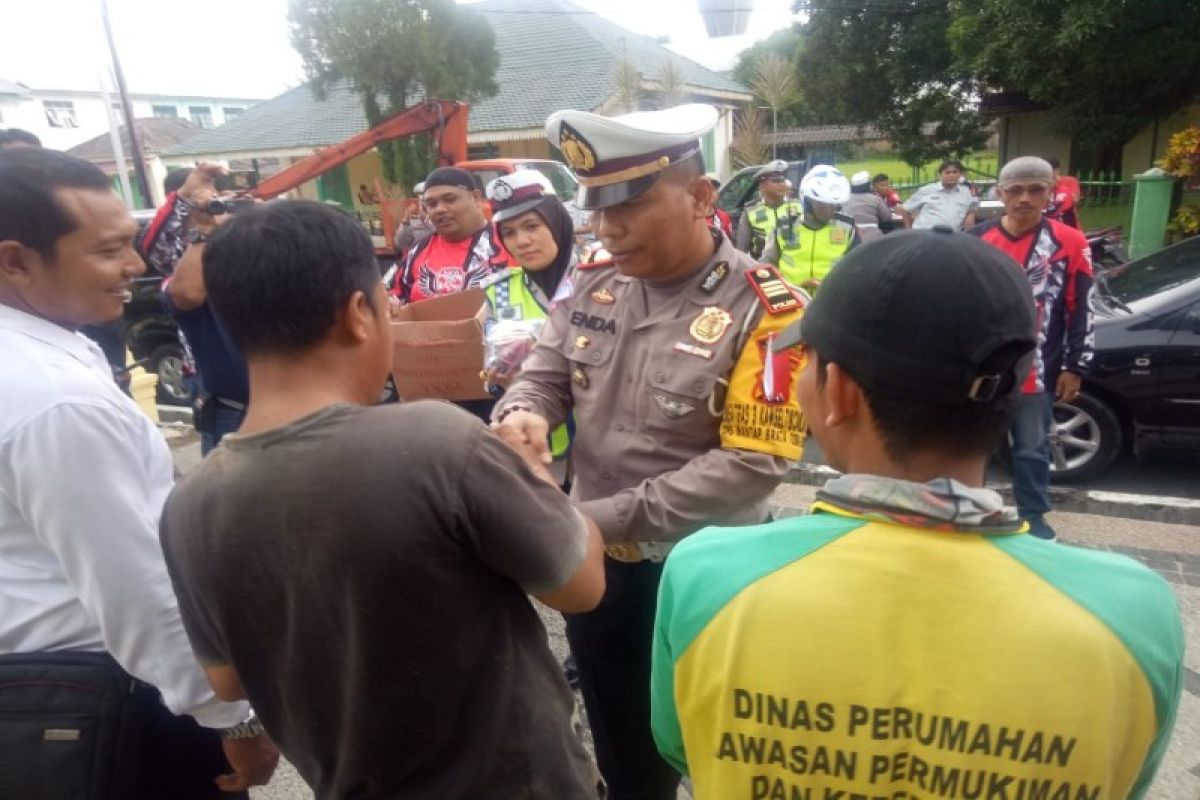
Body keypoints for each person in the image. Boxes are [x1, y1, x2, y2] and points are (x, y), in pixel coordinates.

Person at [650, 229, 1184, 800]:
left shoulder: (708, 574)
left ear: (840, 393)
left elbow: (683, 747)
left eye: (808, 361)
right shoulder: (1133, 613)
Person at [160, 199, 605, 798]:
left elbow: (226, 680)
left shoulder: (190, 504)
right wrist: (534, 472)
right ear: (359, 314)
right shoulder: (436, 442)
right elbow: (579, 586)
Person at [493, 103, 808, 800]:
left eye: (629, 206)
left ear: (701, 198)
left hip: (708, 574)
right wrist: (521, 414)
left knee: (723, 754)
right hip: (601, 572)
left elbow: (756, 461)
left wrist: (593, 519)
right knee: (627, 754)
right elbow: (542, 375)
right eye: (597, 210)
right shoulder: (596, 282)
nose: (606, 228)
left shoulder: (771, 310)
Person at [0, 147, 277, 798]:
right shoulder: (57, 401)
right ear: (15, 260)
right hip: (113, 700)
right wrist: (233, 722)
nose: (135, 266)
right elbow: (141, 594)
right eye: (107, 251)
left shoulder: (41, 355)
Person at [971, 156, 1094, 540]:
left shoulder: (1069, 241)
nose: (1025, 198)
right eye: (1016, 190)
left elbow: (1081, 306)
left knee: (1030, 449)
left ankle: (1034, 518)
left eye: (1036, 189)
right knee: (970, 446)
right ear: (1000, 193)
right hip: (980, 369)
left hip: (1037, 368)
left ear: (1050, 192)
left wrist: (1076, 366)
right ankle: (967, 508)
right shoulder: (977, 240)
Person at [142, 163, 249, 454]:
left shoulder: (242, 237)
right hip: (227, 398)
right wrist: (199, 223)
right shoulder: (186, 249)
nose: (213, 206)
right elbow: (160, 253)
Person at [482, 171, 577, 472]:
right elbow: (491, 375)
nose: (522, 241)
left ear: (556, 221)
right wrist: (501, 380)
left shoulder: (603, 278)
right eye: (508, 232)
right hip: (540, 451)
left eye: (532, 226)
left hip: (604, 445)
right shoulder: (499, 290)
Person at [389, 166, 508, 305]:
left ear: (476, 198)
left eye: (450, 199)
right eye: (432, 204)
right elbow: (396, 296)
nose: (439, 209)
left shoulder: (507, 241)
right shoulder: (418, 250)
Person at [762, 164, 859, 293]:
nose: (830, 211)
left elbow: (857, 268)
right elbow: (766, 266)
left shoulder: (846, 227)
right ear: (807, 203)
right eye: (823, 206)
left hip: (831, 300)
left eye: (835, 206)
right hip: (791, 302)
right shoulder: (784, 227)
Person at [734, 159, 802, 259]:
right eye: (776, 181)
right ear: (762, 187)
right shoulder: (750, 212)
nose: (781, 184)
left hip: (793, 268)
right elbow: (741, 250)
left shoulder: (798, 207)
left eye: (782, 180)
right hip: (763, 269)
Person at [901, 158, 978, 230]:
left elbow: (971, 210)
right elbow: (905, 209)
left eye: (955, 172)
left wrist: (970, 217)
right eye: (947, 172)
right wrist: (909, 230)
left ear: (960, 174)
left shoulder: (966, 192)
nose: (951, 175)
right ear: (940, 175)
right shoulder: (927, 190)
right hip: (925, 235)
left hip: (952, 237)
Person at [841, 169, 892, 242]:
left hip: (848, 235)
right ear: (868, 185)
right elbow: (887, 217)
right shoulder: (876, 199)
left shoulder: (844, 199)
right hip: (873, 237)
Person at [391, 180, 433, 257]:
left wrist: (428, 222)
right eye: (421, 200)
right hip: (418, 260)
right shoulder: (413, 221)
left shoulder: (441, 217)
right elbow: (400, 243)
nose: (423, 203)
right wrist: (406, 220)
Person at [1046, 156, 1082, 229]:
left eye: (1054, 169)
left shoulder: (1070, 181)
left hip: (1069, 224)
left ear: (1057, 170)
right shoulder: (1044, 184)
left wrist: (1058, 186)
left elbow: (1075, 199)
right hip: (1048, 226)